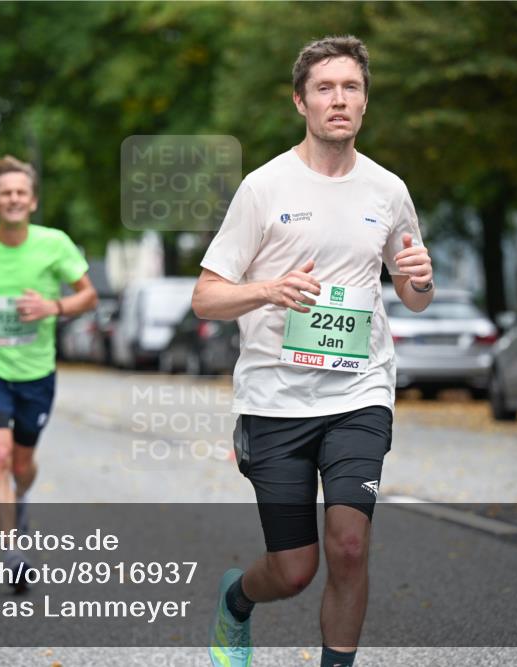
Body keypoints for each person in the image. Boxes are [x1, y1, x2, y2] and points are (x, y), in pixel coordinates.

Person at [192, 36, 434, 667]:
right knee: (294, 569)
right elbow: (206, 298)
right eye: (325, 88)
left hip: (360, 391)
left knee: (350, 546)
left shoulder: (388, 190)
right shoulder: (263, 188)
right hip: (276, 398)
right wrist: (269, 289)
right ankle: (237, 600)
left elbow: (412, 294)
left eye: (351, 88)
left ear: (364, 102)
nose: (339, 99)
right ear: (301, 101)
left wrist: (420, 278)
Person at [0, 155, 97, 590]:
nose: (13, 198)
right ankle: (12, 550)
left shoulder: (55, 244)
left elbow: (88, 296)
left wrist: (54, 307)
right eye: (5, 193)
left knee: (23, 464)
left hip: (35, 373)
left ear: (32, 202)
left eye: (20, 193)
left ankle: (21, 495)